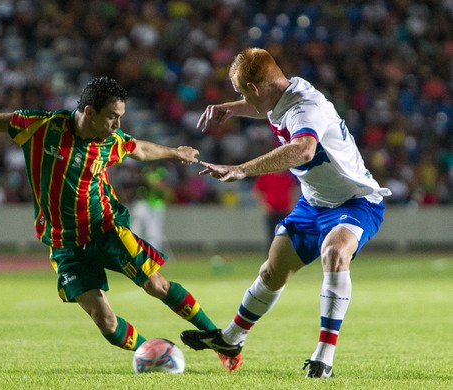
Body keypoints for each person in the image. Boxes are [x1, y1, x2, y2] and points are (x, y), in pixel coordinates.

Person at [0, 77, 242, 371]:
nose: (117, 126)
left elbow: (140, 149)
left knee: (155, 285)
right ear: (88, 112)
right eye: (112, 117)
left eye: (120, 118)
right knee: (106, 324)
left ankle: (222, 344)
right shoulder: (41, 127)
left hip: (107, 230)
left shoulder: (108, 141)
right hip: (64, 245)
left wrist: (174, 152)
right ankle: (152, 350)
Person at [180, 48, 391, 378]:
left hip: (355, 201)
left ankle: (324, 358)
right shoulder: (282, 92)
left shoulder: (305, 108)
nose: (242, 100)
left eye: (241, 94)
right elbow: (265, 108)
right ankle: (231, 339)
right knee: (271, 272)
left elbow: (303, 149)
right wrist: (231, 110)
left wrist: (243, 169)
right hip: (314, 203)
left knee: (335, 253)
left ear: (254, 88)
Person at [130, 164, 172, 251]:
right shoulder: (148, 175)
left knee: (153, 232)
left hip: (156, 205)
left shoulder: (160, 172)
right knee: (140, 229)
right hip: (148, 204)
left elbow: (164, 190)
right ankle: (134, 250)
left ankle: (154, 252)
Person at [252, 170, 298, 248]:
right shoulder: (266, 176)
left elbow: (293, 189)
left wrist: (292, 204)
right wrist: (264, 205)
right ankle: (271, 257)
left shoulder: (288, 176)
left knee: (286, 236)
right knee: (272, 236)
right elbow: (257, 191)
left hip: (285, 211)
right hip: (272, 211)